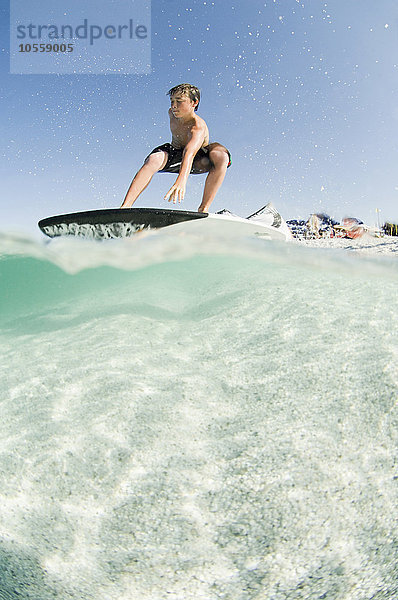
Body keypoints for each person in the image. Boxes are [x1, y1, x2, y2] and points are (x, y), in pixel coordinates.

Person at [120, 83, 231, 213]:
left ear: (194, 103)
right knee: (154, 159)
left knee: (221, 156)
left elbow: (189, 153)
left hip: (199, 159)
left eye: (179, 101)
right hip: (175, 152)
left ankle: (203, 208)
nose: (174, 106)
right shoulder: (171, 113)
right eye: (172, 101)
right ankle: (125, 207)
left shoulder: (198, 126)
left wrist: (181, 180)